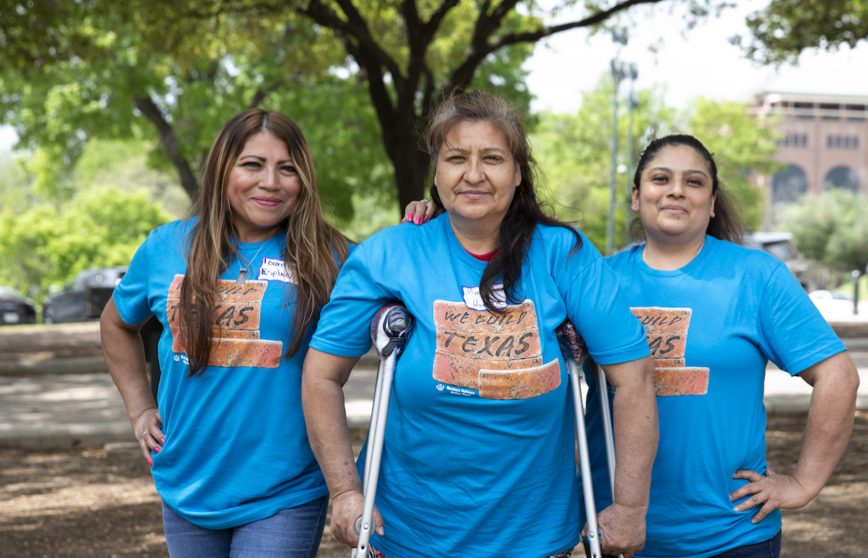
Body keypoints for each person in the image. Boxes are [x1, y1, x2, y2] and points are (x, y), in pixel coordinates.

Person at [302, 90, 659, 557]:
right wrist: (347, 491)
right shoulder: (389, 255)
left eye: (492, 158)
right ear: (437, 171)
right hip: (406, 534)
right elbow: (321, 375)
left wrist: (630, 507)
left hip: (533, 537)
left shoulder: (563, 254)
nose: (473, 174)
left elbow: (633, 378)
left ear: (517, 172)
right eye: (456, 158)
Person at [580, 134, 860, 557]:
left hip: (731, 537)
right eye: (661, 178)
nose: (676, 189)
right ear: (636, 197)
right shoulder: (595, 280)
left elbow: (838, 376)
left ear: (711, 204)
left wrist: (803, 483)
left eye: (693, 182)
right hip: (617, 532)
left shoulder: (756, 277)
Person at [100, 108, 350, 557]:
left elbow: (407, 280)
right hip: (187, 480)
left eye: (287, 169)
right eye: (253, 165)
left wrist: (427, 221)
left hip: (283, 488)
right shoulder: (166, 247)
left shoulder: (330, 254)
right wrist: (140, 409)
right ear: (222, 169)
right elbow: (116, 324)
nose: (271, 182)